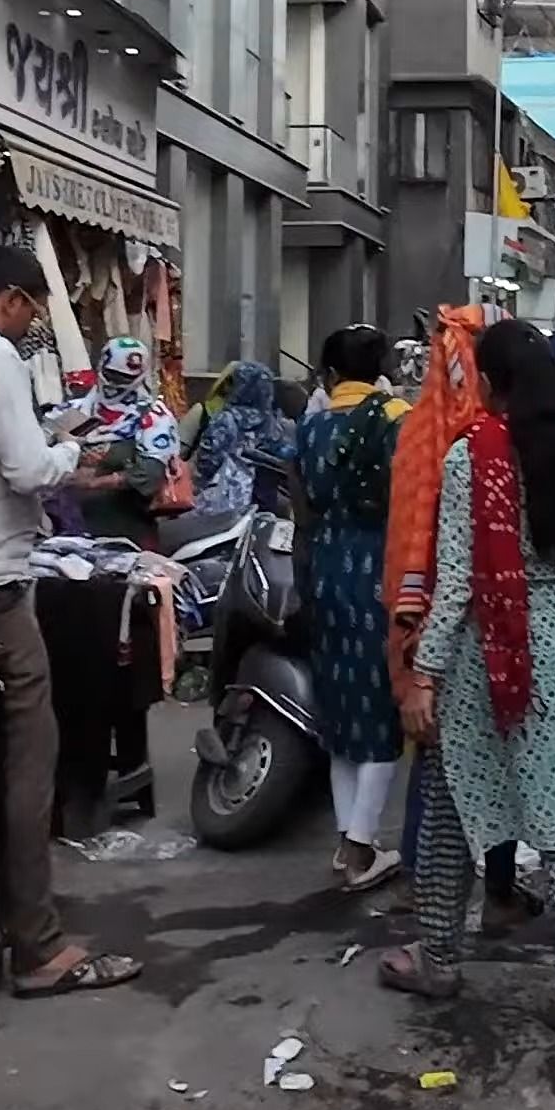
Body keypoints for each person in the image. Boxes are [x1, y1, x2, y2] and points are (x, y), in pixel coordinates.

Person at [380, 320, 555, 1041]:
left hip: (481, 655)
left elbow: (460, 580)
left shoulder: (473, 455)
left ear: (492, 385)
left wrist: (425, 673)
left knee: (450, 811)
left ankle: (437, 959)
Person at [0, 247, 142, 1000]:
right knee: (27, 755)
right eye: (34, 309)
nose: (34, 323)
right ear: (14, 299)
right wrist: (75, 447)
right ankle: (37, 943)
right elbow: (24, 468)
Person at [303, 325, 408, 890]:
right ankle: (361, 848)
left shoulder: (312, 425)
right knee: (382, 707)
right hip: (380, 566)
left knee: (340, 705)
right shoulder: (398, 419)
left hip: (326, 565)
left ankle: (349, 843)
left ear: (331, 373)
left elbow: (306, 497)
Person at [59, 335, 182, 544]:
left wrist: (93, 483)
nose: (115, 383)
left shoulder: (153, 417)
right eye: (111, 374)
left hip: (126, 531)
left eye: (125, 378)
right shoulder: (76, 409)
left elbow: (150, 474)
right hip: (66, 528)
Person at [191, 361, 289, 518]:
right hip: (265, 502)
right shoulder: (275, 424)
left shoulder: (226, 420)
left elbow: (207, 463)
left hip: (226, 504)